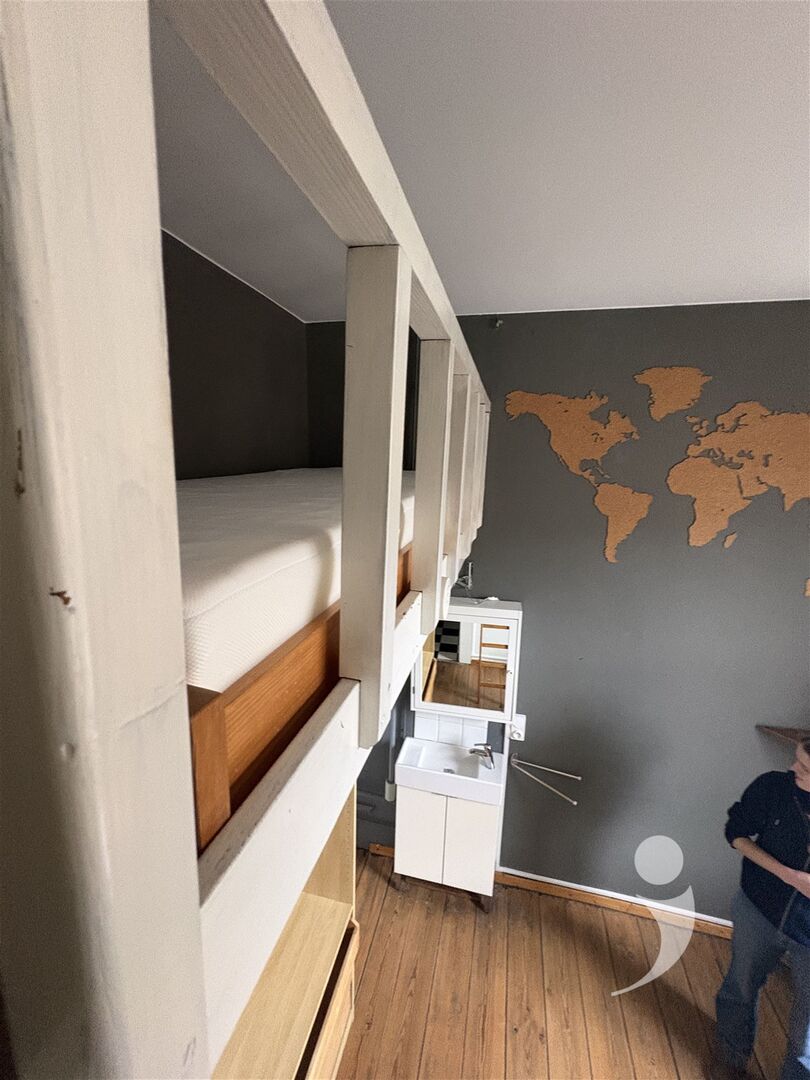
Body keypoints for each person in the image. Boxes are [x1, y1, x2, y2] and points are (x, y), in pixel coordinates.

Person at [716, 736, 810, 1079]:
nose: (793, 768)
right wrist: (789, 875)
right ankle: (730, 1060)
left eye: (805, 768)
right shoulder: (773, 787)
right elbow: (736, 832)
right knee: (739, 988)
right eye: (797, 759)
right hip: (758, 909)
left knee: (808, 1025)